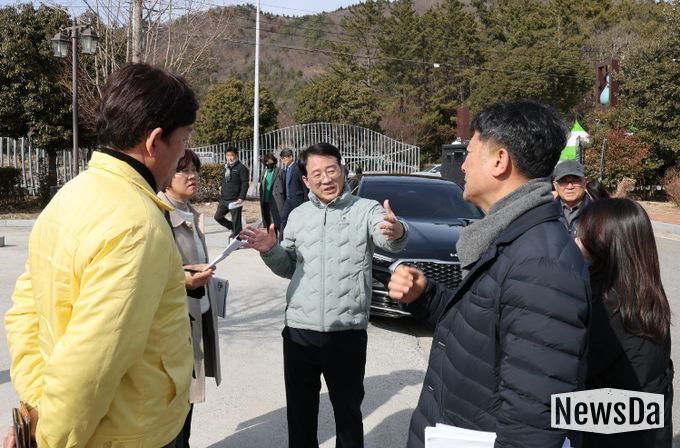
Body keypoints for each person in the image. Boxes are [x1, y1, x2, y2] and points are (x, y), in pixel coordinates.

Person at [4, 63, 197, 447]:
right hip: (127, 432)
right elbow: (89, 365)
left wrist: (38, 406)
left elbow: (26, 311)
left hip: (74, 418)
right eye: (182, 140)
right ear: (155, 141)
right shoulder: (138, 225)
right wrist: (49, 440)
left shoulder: (69, 196)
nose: (181, 155)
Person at [388, 100, 590, 448]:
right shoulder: (506, 236)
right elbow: (483, 328)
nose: (462, 164)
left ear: (499, 161)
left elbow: (533, 424)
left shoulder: (541, 264)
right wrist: (427, 296)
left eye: (469, 152)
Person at [239, 142, 409, 448]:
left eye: (332, 170)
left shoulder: (366, 209)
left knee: (348, 415)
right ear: (305, 180)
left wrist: (397, 232)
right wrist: (270, 250)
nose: (326, 179)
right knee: (300, 416)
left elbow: (388, 236)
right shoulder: (298, 216)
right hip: (299, 332)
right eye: (317, 174)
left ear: (342, 170)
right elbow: (289, 267)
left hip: (346, 332)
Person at [576, 198, 673, 448]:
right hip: (645, 431)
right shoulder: (643, 291)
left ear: (606, 243)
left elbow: (572, 373)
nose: (576, 242)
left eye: (583, 235)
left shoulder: (607, 306)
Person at [158, 149, 222, 447]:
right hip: (175, 324)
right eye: (183, 170)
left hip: (197, 313)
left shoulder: (189, 212)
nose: (192, 176)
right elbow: (152, 271)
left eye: (195, 169)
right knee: (173, 404)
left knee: (187, 402)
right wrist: (183, 278)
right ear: (167, 174)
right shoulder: (159, 214)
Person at [214, 147, 249, 241]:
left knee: (236, 222)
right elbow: (224, 179)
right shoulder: (226, 167)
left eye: (231, 155)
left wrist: (241, 197)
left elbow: (245, 184)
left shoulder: (241, 168)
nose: (229, 158)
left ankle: (236, 242)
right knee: (218, 217)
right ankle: (232, 227)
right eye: (227, 155)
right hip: (224, 199)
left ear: (236, 155)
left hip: (235, 200)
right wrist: (221, 187)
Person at [553, 159, 590, 237]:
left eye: (575, 180)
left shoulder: (598, 213)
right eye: (563, 181)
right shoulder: (546, 213)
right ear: (555, 186)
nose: (570, 187)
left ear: (585, 182)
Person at [279, 148, 308, 238]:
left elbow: (304, 184)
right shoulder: (286, 169)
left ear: (291, 157)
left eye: (284, 158)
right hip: (288, 200)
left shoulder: (297, 168)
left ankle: (299, 238)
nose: (283, 161)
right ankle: (281, 240)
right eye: (282, 159)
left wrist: (306, 199)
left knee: (298, 220)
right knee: (283, 218)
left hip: (298, 199)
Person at [259, 152, 285, 233]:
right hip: (265, 202)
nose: (269, 163)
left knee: (279, 223)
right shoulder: (264, 172)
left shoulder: (280, 171)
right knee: (269, 224)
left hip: (276, 201)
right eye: (267, 161)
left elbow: (284, 186)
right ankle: (272, 240)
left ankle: (282, 239)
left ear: (274, 161)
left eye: (271, 161)